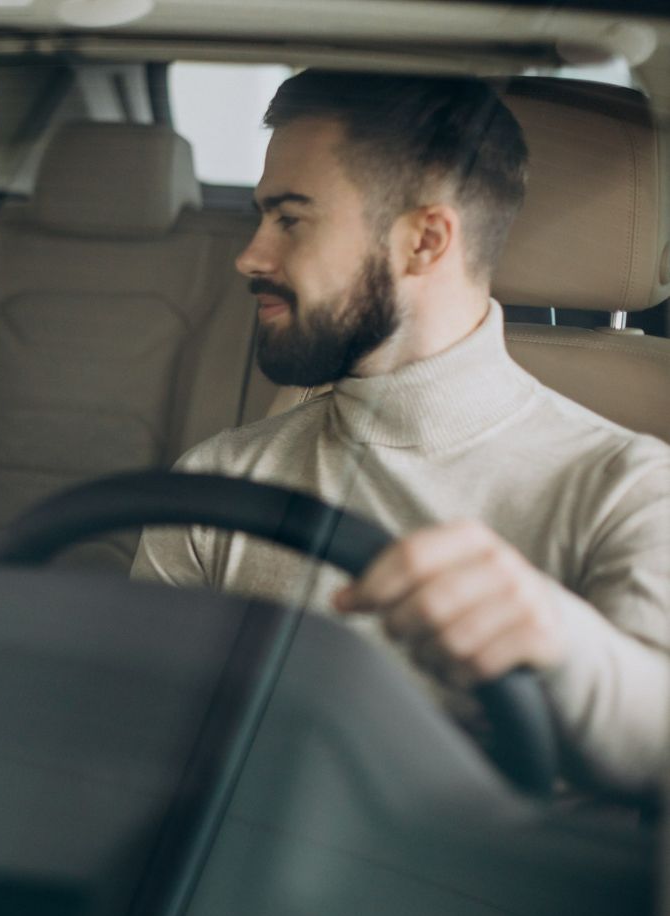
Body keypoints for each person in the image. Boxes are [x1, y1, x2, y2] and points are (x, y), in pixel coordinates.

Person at [131, 71, 670, 797]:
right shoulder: (220, 479)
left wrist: (558, 641)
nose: (250, 256)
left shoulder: (627, 487)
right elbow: (136, 739)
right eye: (262, 217)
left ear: (424, 240)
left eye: (290, 219)